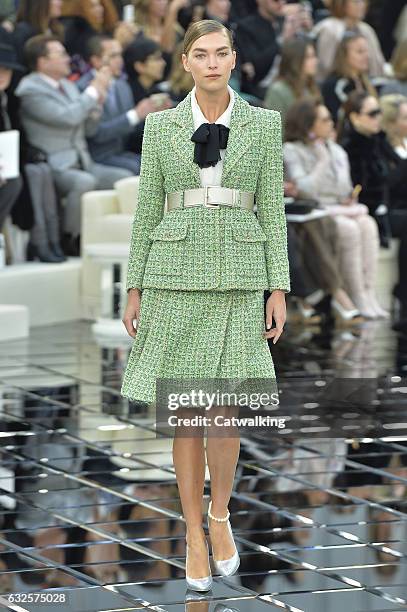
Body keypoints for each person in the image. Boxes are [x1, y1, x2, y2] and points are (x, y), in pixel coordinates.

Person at [121, 19, 290, 590]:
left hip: (241, 275)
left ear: (234, 58)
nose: (213, 62)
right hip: (174, 277)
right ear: (186, 62)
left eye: (222, 53)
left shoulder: (264, 124)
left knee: (225, 413)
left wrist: (278, 286)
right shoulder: (161, 127)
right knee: (189, 414)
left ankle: (221, 517)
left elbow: (272, 207)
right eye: (202, 53)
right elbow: (148, 208)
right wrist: (134, 285)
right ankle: (192, 532)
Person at [15, 35, 133, 255]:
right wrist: (93, 90)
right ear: (42, 61)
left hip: (82, 158)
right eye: (61, 54)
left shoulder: (67, 86)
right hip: (54, 163)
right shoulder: (29, 89)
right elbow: (67, 117)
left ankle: (119, 241)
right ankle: (70, 237)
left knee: (124, 178)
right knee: (84, 182)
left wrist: (97, 104)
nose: (68, 59)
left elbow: (87, 128)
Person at [284, 99, 388, 318]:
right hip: (317, 210)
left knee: (367, 225)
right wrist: (321, 161)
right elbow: (306, 190)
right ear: (308, 124)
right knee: (349, 229)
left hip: (339, 207)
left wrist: (347, 196)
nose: (331, 123)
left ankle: (367, 292)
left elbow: (345, 187)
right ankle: (353, 294)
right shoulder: (292, 150)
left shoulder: (337, 150)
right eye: (324, 120)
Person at [78, 35, 165, 174]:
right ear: (96, 61)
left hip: (121, 152)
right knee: (141, 169)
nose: (119, 61)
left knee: (164, 162)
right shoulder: (85, 88)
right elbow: (97, 134)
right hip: (98, 156)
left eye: (120, 55)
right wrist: (135, 115)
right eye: (113, 56)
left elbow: (132, 130)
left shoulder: (122, 85)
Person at [339, 91, 390, 244]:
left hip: (388, 205)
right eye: (372, 114)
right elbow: (360, 187)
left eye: (379, 112)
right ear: (355, 117)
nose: (378, 118)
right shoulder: (349, 148)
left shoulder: (378, 140)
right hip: (368, 209)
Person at [379, 94, 407, 329]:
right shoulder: (383, 147)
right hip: (389, 209)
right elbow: (387, 183)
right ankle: (402, 291)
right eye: (405, 118)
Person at [313, 0, 386, 80]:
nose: (361, 5)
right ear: (342, 3)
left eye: (363, 1)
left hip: (365, 82)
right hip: (333, 83)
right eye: (356, 1)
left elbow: (377, 65)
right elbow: (324, 67)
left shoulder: (367, 30)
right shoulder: (329, 29)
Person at [321, 31, 377, 124]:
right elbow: (339, 118)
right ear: (344, 55)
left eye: (367, 51)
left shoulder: (367, 81)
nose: (367, 56)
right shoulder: (334, 85)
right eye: (360, 52)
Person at [264, 35, 320, 124]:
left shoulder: (311, 87)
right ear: (296, 61)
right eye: (309, 57)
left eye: (314, 56)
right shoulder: (278, 91)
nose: (315, 61)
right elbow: (275, 129)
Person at [0, 43, 22, 234]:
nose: (2, 75)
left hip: (5, 162)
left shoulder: (8, 99)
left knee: (15, 179)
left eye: (6, 70)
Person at [123, 35, 167, 104]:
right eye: (157, 59)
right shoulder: (125, 95)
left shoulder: (158, 92)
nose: (163, 63)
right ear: (140, 66)